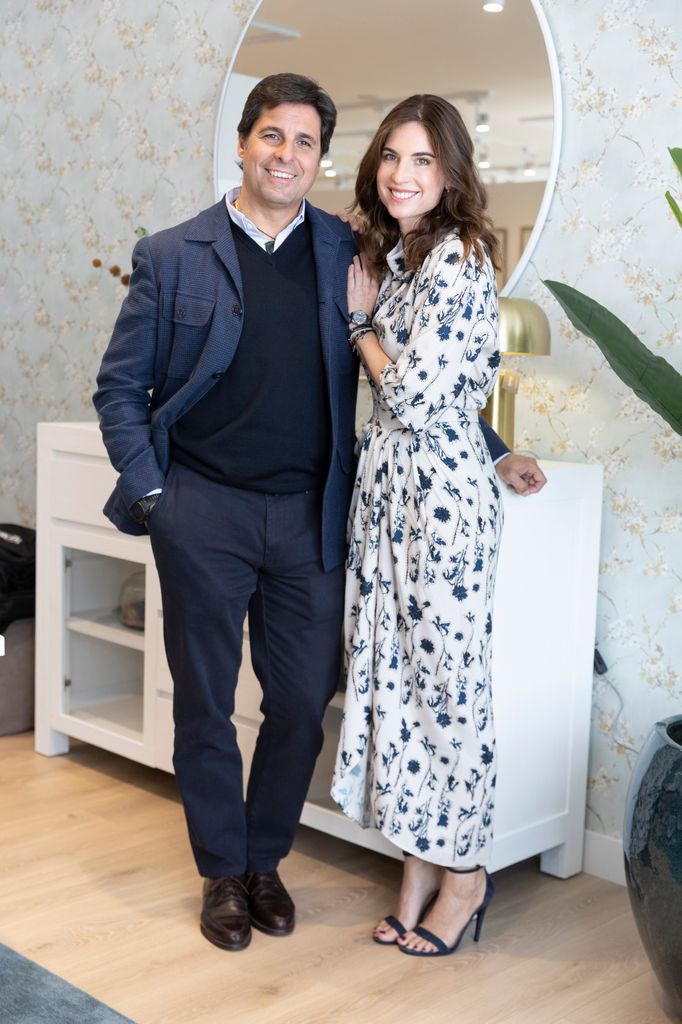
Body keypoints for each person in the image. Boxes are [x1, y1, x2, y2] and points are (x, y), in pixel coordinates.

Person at [93, 73, 545, 954]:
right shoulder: (174, 252)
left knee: (303, 698)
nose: (286, 155)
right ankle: (224, 873)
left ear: (322, 158)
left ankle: (267, 861)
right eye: (272, 136)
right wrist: (157, 497)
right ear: (243, 142)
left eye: (305, 143)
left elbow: (423, 374)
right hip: (205, 511)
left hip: (312, 518)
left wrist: (493, 448)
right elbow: (121, 389)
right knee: (205, 705)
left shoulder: (352, 251)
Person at [331, 94, 510, 957]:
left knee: (448, 698)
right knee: (394, 695)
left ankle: (466, 876)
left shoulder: (462, 261)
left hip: (439, 512)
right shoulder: (403, 260)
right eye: (391, 157)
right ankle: (414, 869)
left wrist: (362, 327)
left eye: (423, 162)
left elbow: (409, 392)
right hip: (389, 504)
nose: (403, 175)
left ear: (451, 174)